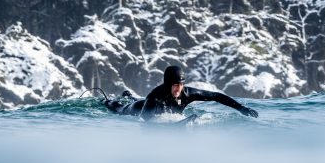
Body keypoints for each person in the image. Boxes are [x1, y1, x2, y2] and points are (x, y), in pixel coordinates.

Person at [105, 65, 258, 120]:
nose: (179, 88)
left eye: (181, 84)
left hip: (149, 105)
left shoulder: (187, 93)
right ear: (167, 84)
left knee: (132, 98)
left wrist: (241, 108)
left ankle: (128, 95)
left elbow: (216, 96)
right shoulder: (155, 97)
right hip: (137, 109)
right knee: (119, 108)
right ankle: (109, 100)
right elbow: (146, 121)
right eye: (175, 85)